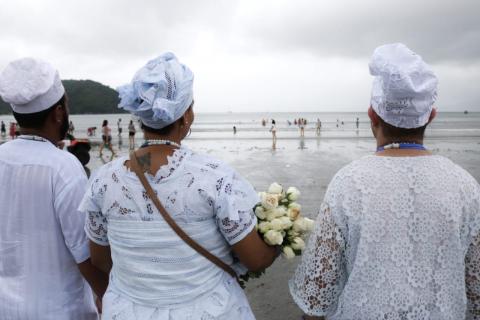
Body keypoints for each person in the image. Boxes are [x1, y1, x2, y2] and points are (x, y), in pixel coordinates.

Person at [79, 53, 278, 320]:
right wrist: (280, 238)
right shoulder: (215, 178)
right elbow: (255, 259)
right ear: (186, 116)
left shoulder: (103, 180)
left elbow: (100, 261)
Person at [289, 43, 480, 320]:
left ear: (372, 115)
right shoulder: (466, 187)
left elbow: (318, 293)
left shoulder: (348, 183)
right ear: (431, 116)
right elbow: (475, 287)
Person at [0, 57, 108, 319]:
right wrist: (109, 296)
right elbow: (85, 254)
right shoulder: (63, 166)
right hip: (59, 310)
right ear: (58, 112)